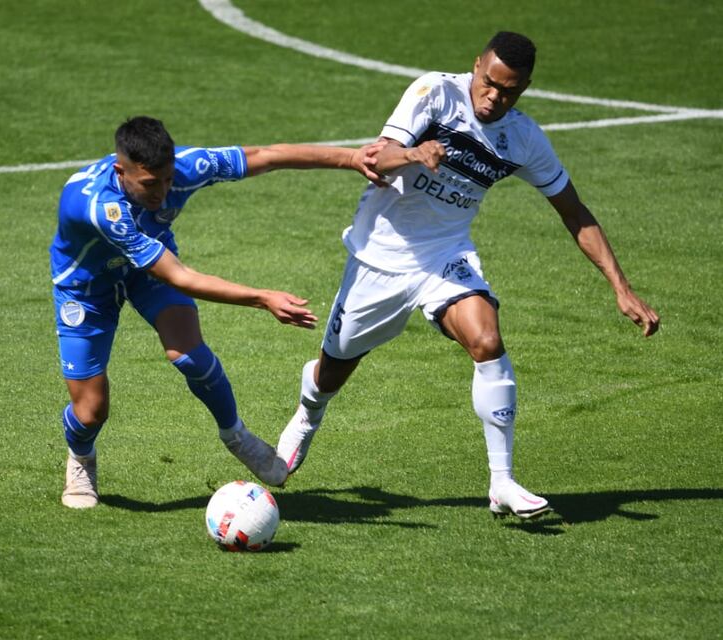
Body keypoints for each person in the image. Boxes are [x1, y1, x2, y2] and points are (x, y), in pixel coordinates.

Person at [275, 31, 660, 519]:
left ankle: (502, 483)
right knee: (334, 367)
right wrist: (414, 154)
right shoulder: (434, 93)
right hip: (382, 255)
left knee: (487, 341)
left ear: (524, 88)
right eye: (490, 83)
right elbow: (377, 156)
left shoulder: (522, 138)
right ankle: (309, 414)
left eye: (510, 91)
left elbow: (574, 212)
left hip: (445, 256)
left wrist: (621, 288)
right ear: (476, 66)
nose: (495, 97)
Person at [51, 116, 381, 508]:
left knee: (189, 356)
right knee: (90, 412)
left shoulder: (186, 167)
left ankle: (236, 435)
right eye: (150, 185)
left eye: (168, 179)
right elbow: (181, 277)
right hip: (87, 289)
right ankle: (82, 458)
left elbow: (265, 156)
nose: (163, 192)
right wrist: (261, 297)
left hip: (147, 274)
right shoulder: (100, 207)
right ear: (121, 171)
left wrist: (351, 158)